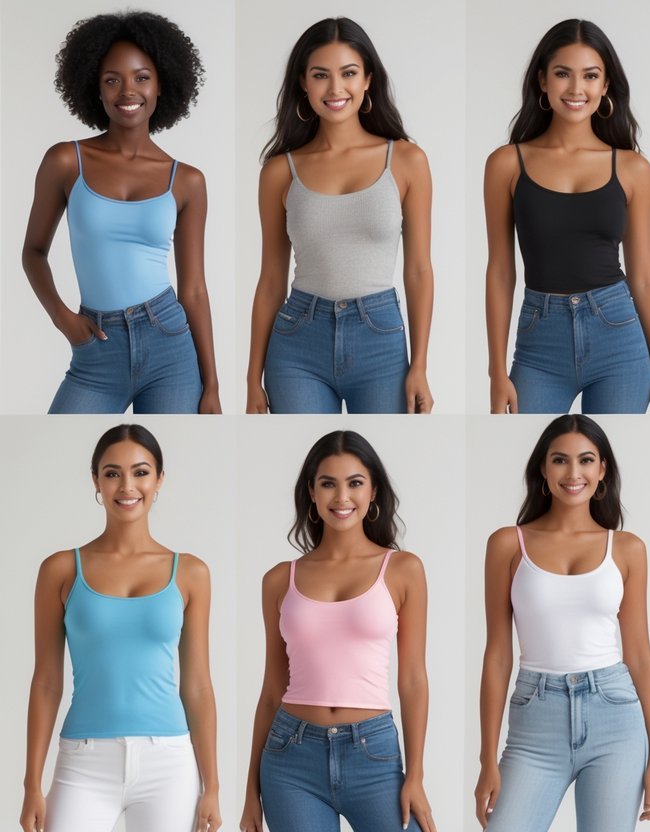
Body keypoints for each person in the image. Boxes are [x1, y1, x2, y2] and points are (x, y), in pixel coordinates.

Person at [21, 425, 220, 831]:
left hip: (169, 762)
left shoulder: (191, 573)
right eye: (112, 473)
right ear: (95, 480)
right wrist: (31, 784)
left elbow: (198, 685)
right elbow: (46, 682)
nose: (127, 486)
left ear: (159, 479)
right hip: (84, 760)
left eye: (140, 472)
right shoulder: (60, 569)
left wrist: (212, 786)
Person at [23, 12, 220, 414]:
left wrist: (212, 385)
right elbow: (33, 252)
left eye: (141, 77)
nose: (128, 91)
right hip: (97, 344)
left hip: (170, 345)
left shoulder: (187, 181)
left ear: (161, 83)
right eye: (112, 80)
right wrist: (62, 317)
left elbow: (194, 290)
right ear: (95, 88)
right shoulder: (66, 161)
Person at [475, 415, 650, 829]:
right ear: (543, 470)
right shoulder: (508, 544)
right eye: (560, 460)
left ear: (602, 470)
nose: (573, 473)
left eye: (586, 460)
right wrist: (487, 758)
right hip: (534, 721)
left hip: (615, 716)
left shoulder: (627, 548)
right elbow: (497, 656)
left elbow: (639, 656)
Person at [240, 431, 434, 831]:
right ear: (311, 492)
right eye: (328, 483)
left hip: (374, 754)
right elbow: (272, 689)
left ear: (373, 491)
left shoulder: (403, 570)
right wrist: (249, 792)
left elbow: (413, 679)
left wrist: (415, 774)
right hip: (290, 759)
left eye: (355, 483)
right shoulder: (279, 579)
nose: (342, 497)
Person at [484, 20, 650, 414]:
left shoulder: (632, 168)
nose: (576, 88)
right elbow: (501, 271)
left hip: (619, 335)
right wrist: (496, 372)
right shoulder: (507, 164)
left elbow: (643, 277)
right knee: (529, 446)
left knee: (612, 448)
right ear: (542, 80)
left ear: (605, 85)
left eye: (590, 76)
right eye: (562, 74)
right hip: (540, 340)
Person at [246, 18, 434, 414]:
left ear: (368, 80)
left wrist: (419, 365)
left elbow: (418, 270)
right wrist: (251, 379)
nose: (335, 88)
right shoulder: (280, 171)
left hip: (380, 340)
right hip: (297, 343)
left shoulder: (406, 160)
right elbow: (270, 280)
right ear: (303, 82)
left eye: (348, 73)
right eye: (320, 75)